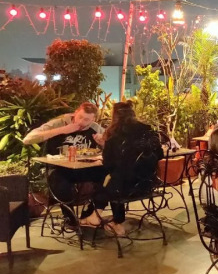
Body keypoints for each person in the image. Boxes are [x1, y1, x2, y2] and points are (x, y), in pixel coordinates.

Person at [80, 102, 163, 237]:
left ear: (115, 116)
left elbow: (108, 164)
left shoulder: (114, 134)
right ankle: (110, 220)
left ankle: (101, 216)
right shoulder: (147, 130)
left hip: (124, 189)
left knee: (106, 179)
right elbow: (160, 154)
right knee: (115, 177)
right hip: (148, 184)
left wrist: (106, 147)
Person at [23, 102, 106, 223]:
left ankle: (91, 213)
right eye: (80, 117)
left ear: (93, 119)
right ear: (75, 113)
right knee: (60, 182)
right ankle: (70, 218)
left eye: (87, 120)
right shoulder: (60, 123)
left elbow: (113, 145)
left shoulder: (95, 128)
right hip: (59, 167)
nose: (81, 122)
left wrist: (103, 143)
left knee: (107, 175)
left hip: (84, 167)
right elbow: (27, 139)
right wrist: (62, 130)